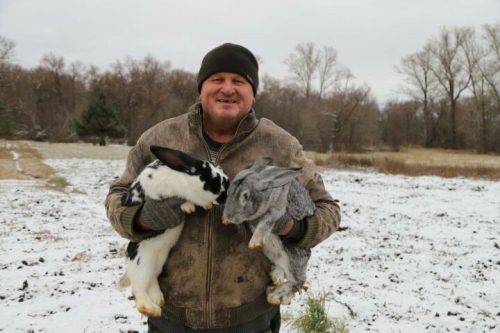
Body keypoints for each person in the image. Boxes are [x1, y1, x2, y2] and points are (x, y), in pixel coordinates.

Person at [105, 43, 341, 333]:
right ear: (200, 89)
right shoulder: (160, 138)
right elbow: (117, 197)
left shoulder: (280, 145)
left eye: (239, 82)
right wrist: (142, 220)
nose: (227, 89)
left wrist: (291, 226)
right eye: (217, 80)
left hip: (249, 319)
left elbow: (328, 211)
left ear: (253, 94)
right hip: (171, 317)